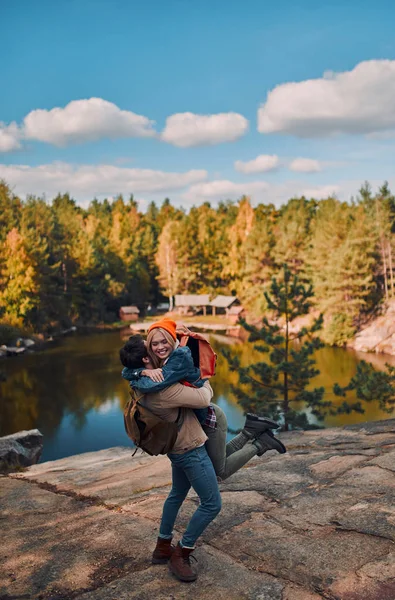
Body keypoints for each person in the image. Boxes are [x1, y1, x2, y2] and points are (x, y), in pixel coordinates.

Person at [121, 318, 286, 481]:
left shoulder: (173, 361)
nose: (157, 347)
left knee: (219, 471)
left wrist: (205, 382)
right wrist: (141, 372)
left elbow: (201, 398)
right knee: (217, 461)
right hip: (203, 414)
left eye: (161, 342)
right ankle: (251, 430)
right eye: (152, 344)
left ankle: (260, 443)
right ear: (146, 355)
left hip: (209, 417)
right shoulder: (157, 362)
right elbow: (127, 370)